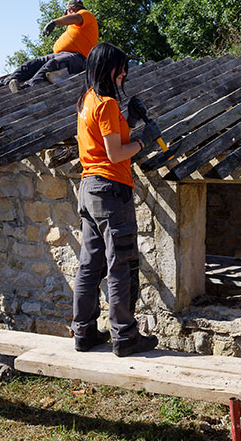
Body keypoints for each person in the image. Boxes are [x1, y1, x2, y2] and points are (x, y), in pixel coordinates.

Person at [71, 42, 162, 357]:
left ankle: (83, 333)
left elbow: (103, 141)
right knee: (120, 263)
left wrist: (132, 122)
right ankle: (124, 336)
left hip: (88, 188)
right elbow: (116, 153)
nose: (125, 73)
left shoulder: (86, 100)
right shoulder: (107, 103)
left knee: (90, 264)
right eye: (121, 67)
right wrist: (142, 140)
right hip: (111, 190)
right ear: (107, 67)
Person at [0, 0, 99, 93]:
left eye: (66, 13)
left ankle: (28, 87)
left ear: (71, 9)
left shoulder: (85, 14)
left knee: (52, 64)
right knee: (32, 63)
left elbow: (76, 18)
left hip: (78, 59)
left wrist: (54, 22)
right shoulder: (75, 27)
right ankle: (1, 85)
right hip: (61, 54)